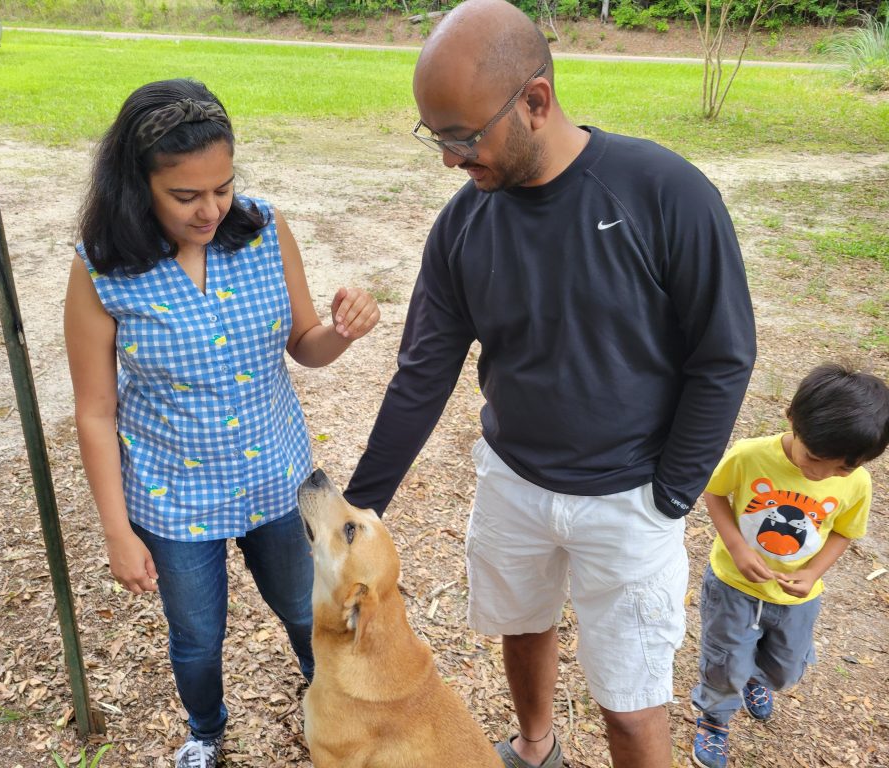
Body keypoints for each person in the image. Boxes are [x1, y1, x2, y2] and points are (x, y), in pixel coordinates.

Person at [341, 1, 757, 766]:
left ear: (535, 101)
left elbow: (723, 355)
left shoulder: (664, 192)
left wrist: (671, 493)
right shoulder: (465, 223)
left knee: (632, 715)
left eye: (464, 139)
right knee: (523, 627)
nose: (450, 162)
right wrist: (357, 509)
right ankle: (536, 749)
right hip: (513, 484)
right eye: (436, 140)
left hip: (630, 501)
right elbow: (422, 374)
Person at [63, 78, 379, 768]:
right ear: (136, 185)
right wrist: (118, 531)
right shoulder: (103, 269)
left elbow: (306, 344)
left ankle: (332, 699)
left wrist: (342, 332)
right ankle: (205, 730)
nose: (210, 209)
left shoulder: (263, 229)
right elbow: (94, 411)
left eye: (222, 187)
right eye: (185, 196)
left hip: (276, 477)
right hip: (175, 499)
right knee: (199, 637)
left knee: (306, 610)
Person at [691, 363, 889, 768]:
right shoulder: (750, 455)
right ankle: (714, 718)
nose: (821, 474)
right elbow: (714, 494)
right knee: (726, 661)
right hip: (734, 584)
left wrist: (814, 572)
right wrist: (738, 548)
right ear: (791, 420)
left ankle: (757, 680)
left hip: (797, 597)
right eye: (813, 457)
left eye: (842, 468)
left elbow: (844, 532)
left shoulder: (856, 482)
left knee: (784, 671)